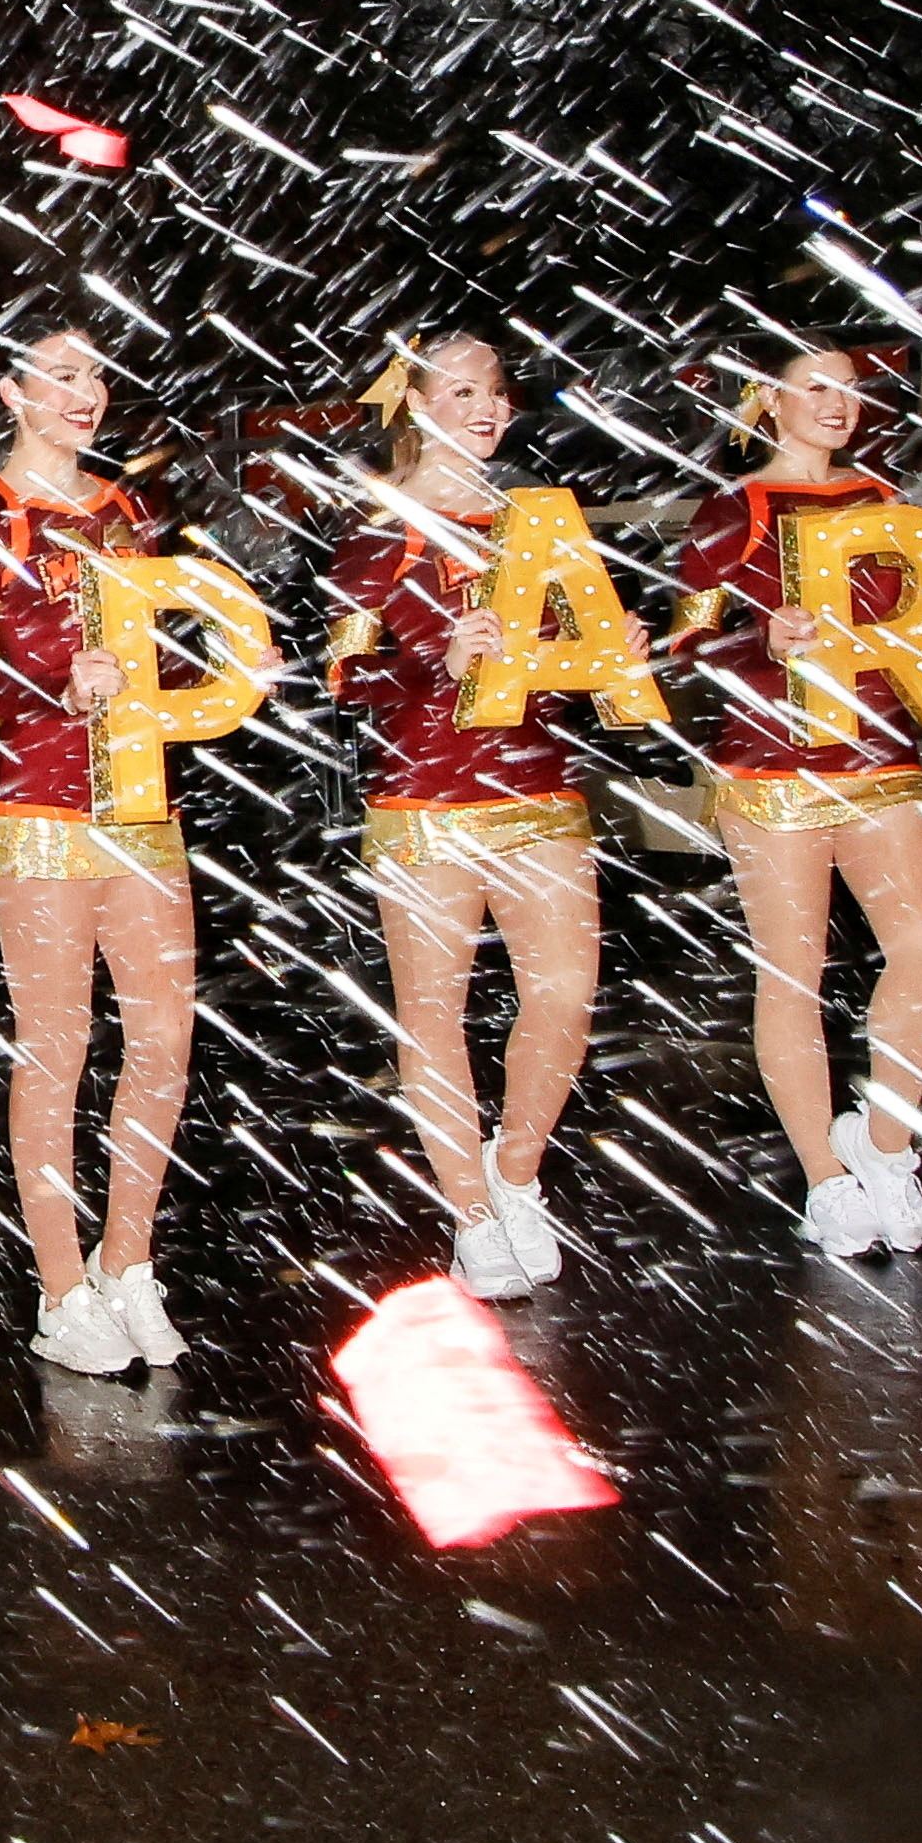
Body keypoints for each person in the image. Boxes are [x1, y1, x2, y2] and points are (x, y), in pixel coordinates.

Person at [0, 327, 202, 1375]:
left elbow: (162, 646)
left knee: (164, 1039)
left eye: (93, 372)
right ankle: (59, 1287)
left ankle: (127, 1260)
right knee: (57, 1047)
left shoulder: (127, 508)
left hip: (140, 803)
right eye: (59, 374)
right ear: (11, 392)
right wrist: (57, 683)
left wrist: (219, 668)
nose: (85, 390)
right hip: (40, 809)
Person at [329, 336, 606, 1291]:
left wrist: (606, 655)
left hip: (539, 788)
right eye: (460, 391)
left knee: (564, 994)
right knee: (433, 1014)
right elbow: (342, 674)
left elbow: (567, 665)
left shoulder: (540, 524)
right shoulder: (380, 528)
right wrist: (432, 662)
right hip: (424, 800)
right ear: (415, 403)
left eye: (494, 390)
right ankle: (471, 1213)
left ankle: (514, 1171)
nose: (486, 407)